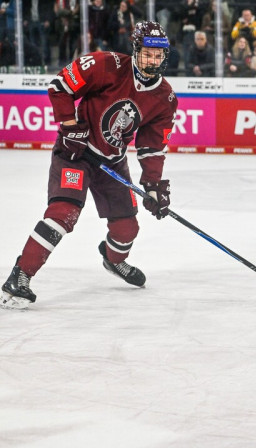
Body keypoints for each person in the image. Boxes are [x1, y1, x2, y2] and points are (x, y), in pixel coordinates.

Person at [1, 21, 177, 310]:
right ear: (135, 51)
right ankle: (20, 276)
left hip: (113, 162)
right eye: (147, 54)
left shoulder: (164, 98)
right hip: (76, 153)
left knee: (127, 228)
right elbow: (59, 86)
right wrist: (70, 128)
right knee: (63, 213)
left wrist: (154, 186)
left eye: (158, 55)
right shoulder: (106, 64)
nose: (153, 60)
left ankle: (113, 259)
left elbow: (153, 146)